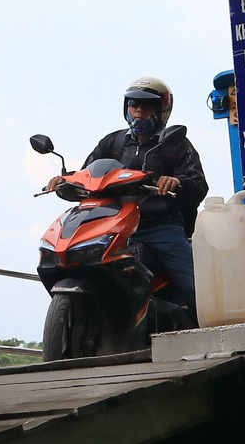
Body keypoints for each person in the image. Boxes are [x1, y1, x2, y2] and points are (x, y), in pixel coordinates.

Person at [50, 77, 208, 316]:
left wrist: (177, 182)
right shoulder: (112, 142)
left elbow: (198, 184)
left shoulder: (176, 143)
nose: (139, 111)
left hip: (158, 225)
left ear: (162, 109)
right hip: (111, 224)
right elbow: (87, 174)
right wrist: (64, 181)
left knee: (196, 285)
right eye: (134, 105)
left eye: (147, 106)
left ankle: (212, 330)